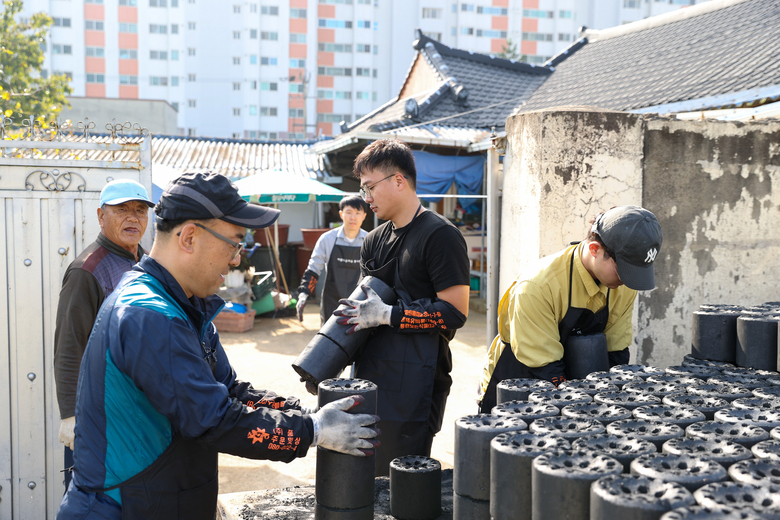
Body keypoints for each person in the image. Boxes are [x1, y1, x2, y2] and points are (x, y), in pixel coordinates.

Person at [57, 172, 379, 520]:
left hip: (159, 499)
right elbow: (214, 420)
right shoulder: (149, 316)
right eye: (234, 243)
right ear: (191, 238)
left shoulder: (184, 303)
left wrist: (300, 410)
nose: (237, 259)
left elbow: (229, 390)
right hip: (122, 507)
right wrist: (313, 431)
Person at [333, 139, 471, 476]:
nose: (366, 198)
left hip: (417, 382)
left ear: (399, 181)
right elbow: (360, 307)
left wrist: (388, 315)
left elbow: (455, 312)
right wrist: (329, 359)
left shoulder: (441, 237)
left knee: (403, 478)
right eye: (362, 188)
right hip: (372, 374)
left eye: (370, 187)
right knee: (363, 473)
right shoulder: (373, 240)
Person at [477, 205, 663, 413]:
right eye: (624, 270)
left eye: (636, 271)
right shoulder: (538, 286)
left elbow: (616, 352)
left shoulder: (624, 284)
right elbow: (544, 366)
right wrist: (577, 405)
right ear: (595, 249)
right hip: (521, 379)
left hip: (569, 378)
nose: (627, 280)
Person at [53, 178, 154, 489]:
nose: (133, 218)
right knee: (96, 501)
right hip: (98, 417)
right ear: (101, 216)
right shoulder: (87, 271)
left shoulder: (147, 262)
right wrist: (70, 416)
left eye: (140, 210)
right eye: (121, 210)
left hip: (136, 411)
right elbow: (69, 346)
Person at [296, 195, 369, 325]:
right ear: (341, 214)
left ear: (364, 216)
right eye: (349, 212)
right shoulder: (327, 239)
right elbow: (313, 270)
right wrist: (303, 294)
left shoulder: (370, 241)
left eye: (358, 213)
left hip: (359, 303)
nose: (353, 217)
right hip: (331, 301)